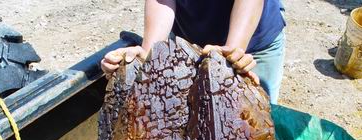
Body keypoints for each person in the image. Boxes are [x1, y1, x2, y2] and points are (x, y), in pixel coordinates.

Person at [101, 0, 285, 104]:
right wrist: (150, 54)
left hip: (253, 42)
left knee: (247, 118)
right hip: (190, 41)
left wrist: (232, 54)